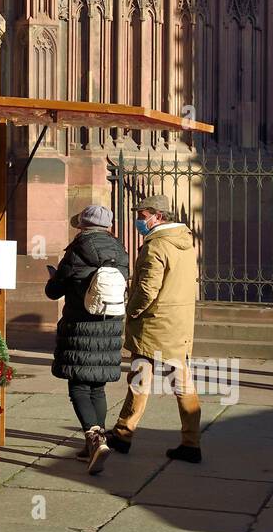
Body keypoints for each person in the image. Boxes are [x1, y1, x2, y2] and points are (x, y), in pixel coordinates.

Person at [106, 194, 202, 462]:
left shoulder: (156, 246)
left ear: (157, 216)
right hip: (178, 324)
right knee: (181, 383)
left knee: (139, 380)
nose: (139, 220)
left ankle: (124, 434)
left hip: (154, 324)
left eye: (141, 215)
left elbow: (148, 288)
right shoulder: (184, 242)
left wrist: (131, 310)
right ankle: (191, 443)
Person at [45, 204, 129, 474]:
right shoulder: (120, 251)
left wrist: (55, 277)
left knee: (79, 386)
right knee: (97, 387)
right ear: (108, 227)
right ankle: (93, 444)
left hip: (80, 325)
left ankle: (94, 438)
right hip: (110, 325)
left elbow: (54, 291)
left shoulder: (76, 250)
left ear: (82, 225)